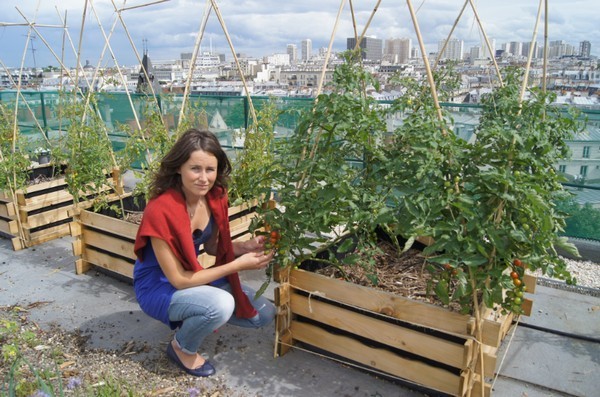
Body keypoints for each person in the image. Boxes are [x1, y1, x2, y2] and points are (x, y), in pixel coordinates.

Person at [133, 128, 275, 377]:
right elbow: (178, 280)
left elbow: (211, 247)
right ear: (179, 168)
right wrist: (238, 265)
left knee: (263, 314)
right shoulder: (160, 210)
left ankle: (196, 317)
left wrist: (246, 246)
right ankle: (182, 347)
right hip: (159, 286)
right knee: (220, 304)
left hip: (193, 275)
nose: (204, 178)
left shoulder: (214, 197)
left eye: (210, 169)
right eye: (195, 169)